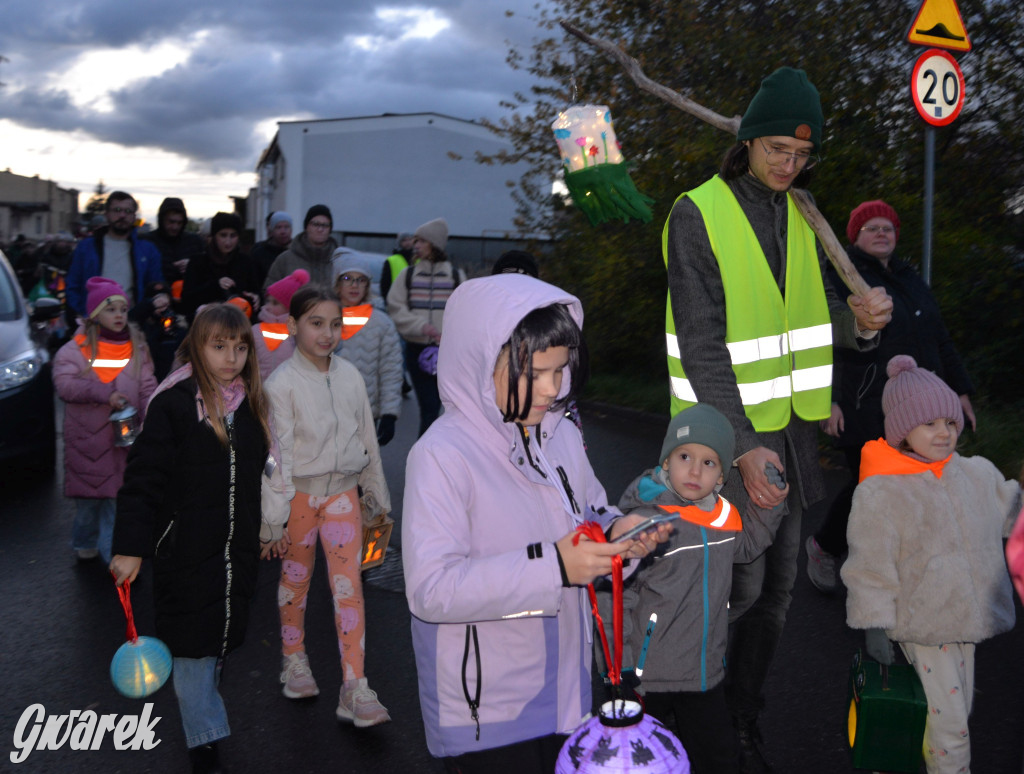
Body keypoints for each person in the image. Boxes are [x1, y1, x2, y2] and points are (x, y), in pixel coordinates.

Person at [661, 66, 893, 771]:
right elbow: (703, 343)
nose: (789, 166)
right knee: (732, 589)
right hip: (720, 442)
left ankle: (740, 720)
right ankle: (683, 714)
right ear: (748, 141)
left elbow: (818, 318)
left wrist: (863, 326)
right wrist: (746, 448)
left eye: (801, 155)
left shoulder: (805, 215)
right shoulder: (696, 212)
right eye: (776, 151)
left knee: (777, 596)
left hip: (792, 438)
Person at [402, 273, 667, 772]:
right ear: (481, 364)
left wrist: (616, 537)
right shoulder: (440, 455)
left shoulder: (560, 433)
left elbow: (589, 510)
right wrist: (555, 568)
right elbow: (431, 590)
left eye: (561, 370)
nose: (553, 388)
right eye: (536, 372)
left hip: (567, 690)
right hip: (488, 711)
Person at [109, 304, 277, 773]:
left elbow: (264, 474)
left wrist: (268, 525)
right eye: (219, 346)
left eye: (240, 347)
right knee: (192, 648)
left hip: (234, 549)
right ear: (197, 347)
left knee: (216, 641)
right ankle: (205, 739)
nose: (231, 357)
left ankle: (202, 714)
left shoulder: (250, 406)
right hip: (184, 550)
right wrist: (130, 546)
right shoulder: (175, 405)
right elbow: (144, 480)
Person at [842, 355, 1021, 774]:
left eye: (951, 423)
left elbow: (1013, 512)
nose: (944, 433)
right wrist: (874, 621)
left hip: (969, 620)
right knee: (952, 727)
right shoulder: (883, 491)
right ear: (903, 431)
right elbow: (869, 563)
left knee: (951, 712)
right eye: (930, 424)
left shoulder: (976, 473)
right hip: (924, 622)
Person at [602, 404, 784, 774]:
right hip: (647, 677)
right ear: (666, 462)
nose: (695, 470)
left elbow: (747, 546)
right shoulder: (645, 519)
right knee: (637, 762)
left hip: (704, 674)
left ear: (720, 478)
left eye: (709, 462)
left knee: (720, 758)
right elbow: (617, 596)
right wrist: (617, 669)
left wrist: (769, 507)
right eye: (685, 456)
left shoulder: (720, 516)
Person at [805, 199, 975, 594]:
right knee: (870, 486)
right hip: (864, 402)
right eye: (872, 228)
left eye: (888, 228)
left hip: (922, 406)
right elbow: (823, 336)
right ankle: (826, 547)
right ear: (855, 237)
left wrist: (960, 390)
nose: (882, 234)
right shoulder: (841, 274)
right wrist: (827, 400)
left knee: (916, 486)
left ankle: (904, 571)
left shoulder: (909, 278)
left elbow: (939, 337)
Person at [262, 285, 392, 727]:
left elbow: (367, 441)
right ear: (292, 325)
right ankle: (293, 659)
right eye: (316, 323)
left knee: (348, 588)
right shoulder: (280, 384)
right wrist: (272, 520)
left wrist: (377, 496)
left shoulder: (352, 376)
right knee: (295, 582)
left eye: (335, 324)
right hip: (297, 498)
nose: (327, 333)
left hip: (344, 496)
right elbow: (276, 458)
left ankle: (354, 686)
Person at [53, 277, 156, 564]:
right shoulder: (75, 350)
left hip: (125, 439)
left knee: (117, 500)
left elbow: (146, 385)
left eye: (123, 309)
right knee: (88, 504)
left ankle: (115, 556)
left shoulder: (137, 346)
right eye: (111, 310)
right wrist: (104, 393)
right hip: (88, 441)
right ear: (95, 315)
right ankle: (83, 540)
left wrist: (152, 412)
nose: (120, 315)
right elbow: (65, 385)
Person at [386, 217, 464, 436]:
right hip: (417, 351)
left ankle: (431, 458)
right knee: (429, 408)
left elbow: (467, 313)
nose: (415, 245)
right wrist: (421, 327)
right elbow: (395, 306)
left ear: (435, 244)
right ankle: (426, 460)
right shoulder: (407, 275)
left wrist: (449, 334)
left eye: (421, 241)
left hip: (447, 353)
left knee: (437, 409)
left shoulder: (456, 277)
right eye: (415, 241)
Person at [332, 253, 403, 446]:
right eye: (348, 279)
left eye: (361, 280)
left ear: (367, 285)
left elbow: (391, 370)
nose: (354, 285)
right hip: (323, 414)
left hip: (366, 414)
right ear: (337, 283)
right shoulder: (321, 319)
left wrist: (389, 414)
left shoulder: (382, 323)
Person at [66, 191, 164, 320]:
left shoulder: (147, 250)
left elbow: (155, 284)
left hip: (133, 322)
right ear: (107, 214)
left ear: (134, 216)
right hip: (94, 322)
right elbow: (73, 284)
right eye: (117, 210)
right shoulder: (87, 247)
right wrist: (83, 314)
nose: (122, 215)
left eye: (128, 211)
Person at [181, 211, 260, 322]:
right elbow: (187, 301)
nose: (228, 241)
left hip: (239, 323)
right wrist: (215, 286)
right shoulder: (198, 262)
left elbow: (253, 291)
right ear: (214, 236)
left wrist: (254, 298)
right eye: (223, 235)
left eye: (233, 236)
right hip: (205, 324)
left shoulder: (245, 262)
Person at [263, 205, 338, 289]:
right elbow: (269, 292)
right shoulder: (285, 260)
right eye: (315, 224)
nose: (320, 229)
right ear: (306, 227)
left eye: (325, 225)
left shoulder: (339, 261)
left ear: (330, 229)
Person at [253, 268, 309, 381]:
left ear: (290, 307)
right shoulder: (255, 330)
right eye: (268, 301)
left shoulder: (299, 333)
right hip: (258, 392)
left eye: (275, 303)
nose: (268, 306)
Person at [142, 197, 204, 285]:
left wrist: (193, 266)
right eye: (171, 222)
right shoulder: (146, 241)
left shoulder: (195, 241)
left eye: (179, 223)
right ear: (162, 219)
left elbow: (206, 268)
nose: (175, 227)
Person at [250, 211, 293, 291]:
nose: (283, 232)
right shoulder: (259, 253)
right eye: (278, 227)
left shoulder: (298, 252)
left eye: (286, 227)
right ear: (271, 231)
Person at [379, 231, 414, 300]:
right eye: (404, 240)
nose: (408, 242)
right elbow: (385, 285)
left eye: (410, 239)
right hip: (397, 300)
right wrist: (388, 301)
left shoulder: (419, 259)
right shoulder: (391, 260)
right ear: (399, 243)